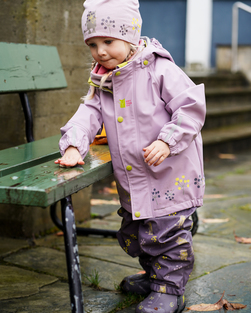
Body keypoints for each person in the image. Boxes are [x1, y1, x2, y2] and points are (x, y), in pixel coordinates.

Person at [55, 0, 206, 312]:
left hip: (170, 174)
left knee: (166, 235)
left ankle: (169, 289)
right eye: (93, 44)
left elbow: (190, 106)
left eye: (108, 41)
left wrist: (167, 140)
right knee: (137, 233)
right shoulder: (104, 81)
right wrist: (73, 145)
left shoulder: (159, 69)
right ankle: (154, 275)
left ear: (131, 36)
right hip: (135, 181)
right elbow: (87, 115)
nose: (100, 52)